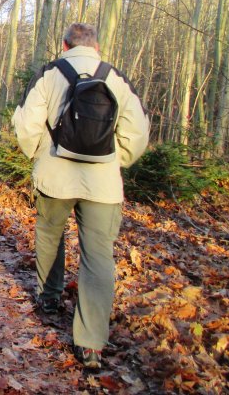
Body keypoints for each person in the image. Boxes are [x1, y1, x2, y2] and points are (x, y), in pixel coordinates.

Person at [12, 23, 149, 370]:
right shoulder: (115, 77)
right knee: (98, 257)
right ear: (97, 45)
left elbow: (28, 124)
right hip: (102, 183)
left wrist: (38, 154)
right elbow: (138, 131)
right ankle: (90, 344)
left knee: (49, 235)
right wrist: (116, 158)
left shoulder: (50, 74)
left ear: (64, 44)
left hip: (56, 174)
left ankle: (49, 297)